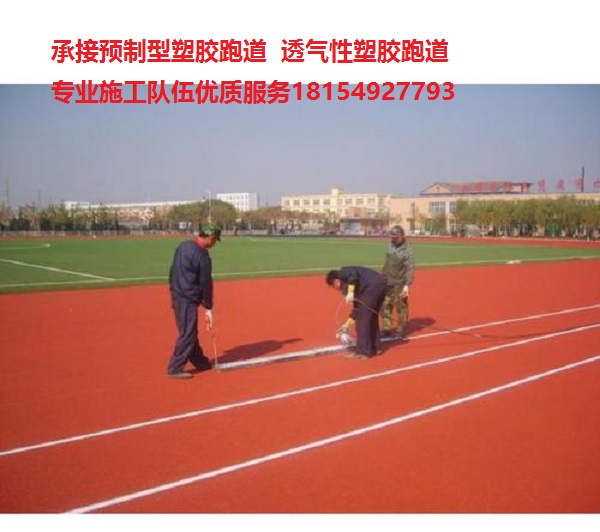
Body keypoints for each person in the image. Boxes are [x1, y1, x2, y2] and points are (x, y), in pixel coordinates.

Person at [166, 223, 222, 379]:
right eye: (215, 240)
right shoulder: (202, 256)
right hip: (187, 298)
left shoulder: (183, 246)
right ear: (210, 238)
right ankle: (175, 367)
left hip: (177, 293)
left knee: (188, 330)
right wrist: (208, 307)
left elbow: (172, 270)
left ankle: (200, 362)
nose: (215, 243)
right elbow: (206, 282)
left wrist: (172, 287)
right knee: (188, 333)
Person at [326, 266, 388, 359]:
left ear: (335, 281)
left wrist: (350, 292)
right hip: (380, 286)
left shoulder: (343, 272)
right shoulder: (355, 285)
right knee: (371, 316)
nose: (335, 289)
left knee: (362, 320)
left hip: (372, 287)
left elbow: (353, 275)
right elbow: (357, 309)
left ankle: (363, 351)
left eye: (333, 286)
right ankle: (375, 347)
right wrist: (346, 325)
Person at [381, 225, 415, 338]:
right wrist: (382, 276)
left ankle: (401, 329)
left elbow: (409, 268)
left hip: (399, 283)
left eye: (395, 238)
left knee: (400, 307)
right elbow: (387, 262)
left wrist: (407, 285)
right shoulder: (390, 245)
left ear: (402, 236)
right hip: (387, 281)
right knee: (385, 305)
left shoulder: (408, 250)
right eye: (392, 237)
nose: (393, 239)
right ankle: (386, 328)